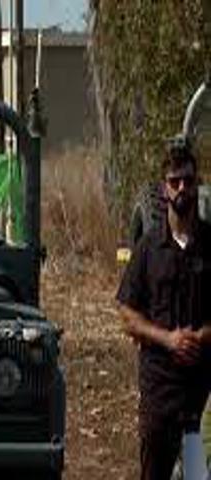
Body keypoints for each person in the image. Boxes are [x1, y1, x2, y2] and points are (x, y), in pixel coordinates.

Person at [117, 135, 211, 480]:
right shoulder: (148, 247)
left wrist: (201, 336)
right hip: (160, 391)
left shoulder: (210, 244)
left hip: (202, 394)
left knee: (198, 474)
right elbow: (127, 315)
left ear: (197, 183)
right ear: (164, 188)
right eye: (175, 181)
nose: (182, 187)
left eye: (188, 180)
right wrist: (168, 339)